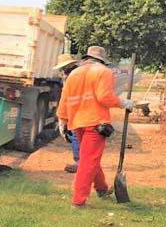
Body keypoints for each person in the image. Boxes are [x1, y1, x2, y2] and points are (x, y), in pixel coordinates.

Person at [56, 46, 135, 207]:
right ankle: (78, 201)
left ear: (86, 58)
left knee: (89, 157)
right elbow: (104, 97)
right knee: (88, 161)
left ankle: (102, 188)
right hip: (95, 122)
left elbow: (64, 99)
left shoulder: (73, 74)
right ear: (102, 60)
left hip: (76, 122)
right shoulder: (104, 72)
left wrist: (62, 121)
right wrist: (123, 103)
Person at [52, 53, 81, 173]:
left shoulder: (71, 77)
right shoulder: (79, 74)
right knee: (77, 136)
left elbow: (66, 97)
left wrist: (62, 118)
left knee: (74, 135)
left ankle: (78, 162)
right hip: (80, 109)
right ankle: (81, 161)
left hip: (75, 110)